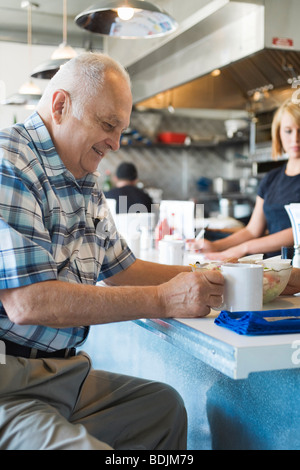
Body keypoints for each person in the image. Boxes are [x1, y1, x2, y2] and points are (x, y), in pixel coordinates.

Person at [0, 52, 224, 451]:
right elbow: (27, 302)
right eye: (108, 125)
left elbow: (123, 267)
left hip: (64, 374)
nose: (117, 144)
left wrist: (220, 275)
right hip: (9, 384)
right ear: (60, 105)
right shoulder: (10, 162)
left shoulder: (83, 179)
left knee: (163, 408)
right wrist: (162, 299)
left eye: (121, 129)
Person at [189, 98, 300, 260]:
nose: (295, 138)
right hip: (273, 267)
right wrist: (215, 246)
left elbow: (297, 231)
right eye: (288, 131)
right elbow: (252, 230)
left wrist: (244, 249)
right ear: (278, 134)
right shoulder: (271, 179)